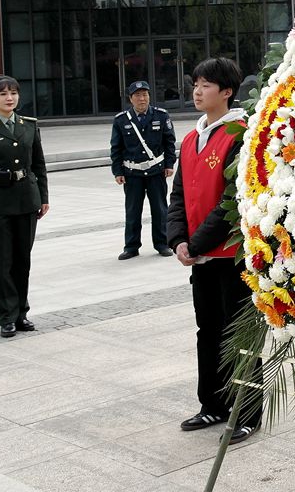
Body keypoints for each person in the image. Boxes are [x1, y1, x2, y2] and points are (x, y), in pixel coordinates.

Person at [167, 57, 259, 443]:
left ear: (227, 92)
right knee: (207, 331)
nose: (197, 91)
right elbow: (178, 195)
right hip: (201, 257)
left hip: (231, 256)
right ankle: (213, 405)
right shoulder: (191, 138)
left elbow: (233, 201)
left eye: (206, 85)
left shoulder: (240, 134)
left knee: (240, 335)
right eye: (195, 84)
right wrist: (177, 239)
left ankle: (247, 413)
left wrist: (197, 242)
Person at [0, 75, 49, 338]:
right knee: (1, 263)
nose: (9, 98)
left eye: (13, 93)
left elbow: (38, 165)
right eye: (2, 94)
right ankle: (6, 316)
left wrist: (43, 197)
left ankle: (21, 313)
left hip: (27, 200)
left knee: (22, 260)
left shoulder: (29, 126)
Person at [110, 80, 177, 260]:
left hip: (156, 171)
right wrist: (117, 171)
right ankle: (131, 247)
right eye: (138, 95)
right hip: (132, 173)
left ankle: (162, 244)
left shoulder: (161, 116)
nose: (142, 99)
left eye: (145, 95)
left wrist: (169, 164)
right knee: (132, 211)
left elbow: (169, 142)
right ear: (131, 99)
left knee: (160, 209)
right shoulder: (121, 120)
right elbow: (116, 148)